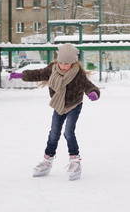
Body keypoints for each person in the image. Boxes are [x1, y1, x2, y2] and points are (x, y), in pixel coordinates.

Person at [9, 43, 100, 179]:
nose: (63, 66)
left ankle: (75, 161)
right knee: (54, 133)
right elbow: (37, 74)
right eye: (61, 62)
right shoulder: (52, 69)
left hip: (74, 105)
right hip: (59, 105)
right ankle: (47, 161)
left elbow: (89, 86)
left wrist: (93, 93)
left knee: (68, 132)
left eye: (67, 63)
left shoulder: (78, 74)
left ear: (73, 62)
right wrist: (20, 75)